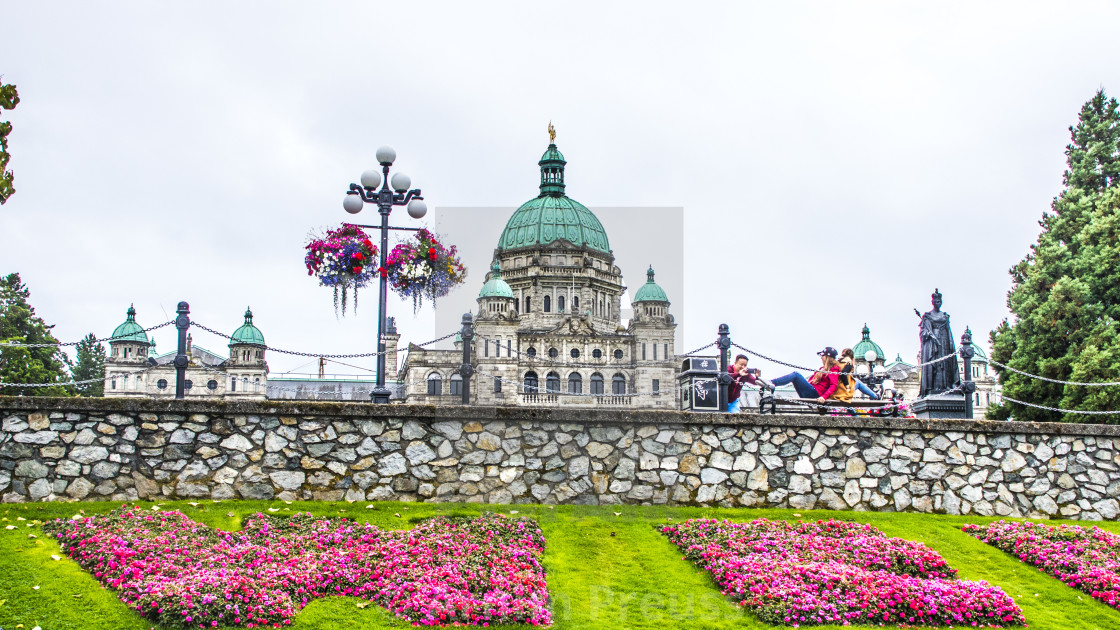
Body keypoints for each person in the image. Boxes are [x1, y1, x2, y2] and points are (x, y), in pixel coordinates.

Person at [770, 347, 841, 402]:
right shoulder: (822, 368)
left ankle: (771, 383)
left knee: (796, 375)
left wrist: (824, 397)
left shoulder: (834, 369)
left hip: (815, 393)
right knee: (795, 378)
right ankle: (770, 384)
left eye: (822, 356)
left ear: (826, 358)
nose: (821, 358)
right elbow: (811, 381)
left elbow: (834, 385)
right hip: (812, 391)